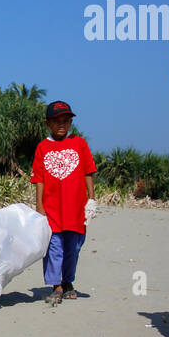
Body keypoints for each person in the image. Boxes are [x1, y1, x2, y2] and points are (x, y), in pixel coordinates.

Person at [31, 100, 96, 305]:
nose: (62, 125)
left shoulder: (79, 143)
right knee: (54, 247)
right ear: (47, 123)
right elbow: (39, 178)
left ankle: (68, 281)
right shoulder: (43, 147)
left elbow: (88, 171)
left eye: (66, 121)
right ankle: (55, 284)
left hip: (76, 208)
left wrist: (91, 199)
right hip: (52, 209)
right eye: (57, 121)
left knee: (73, 247)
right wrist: (39, 206)